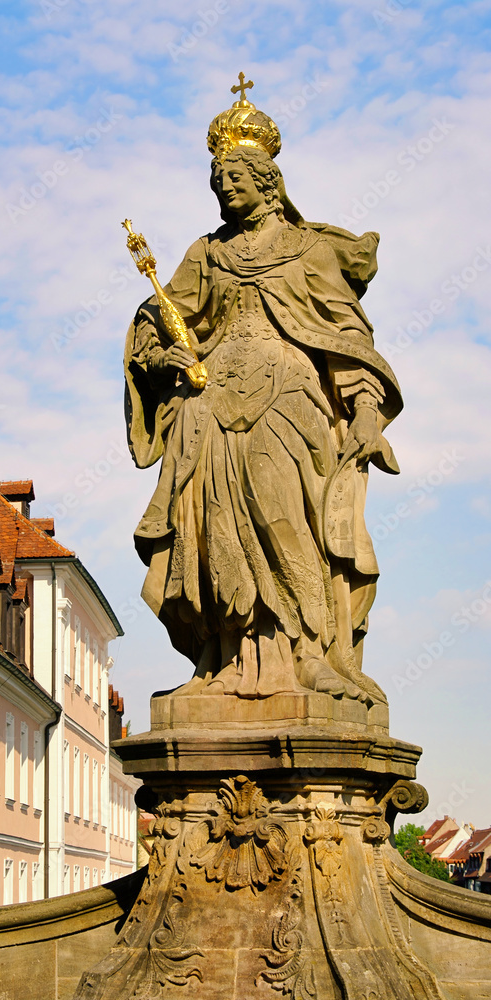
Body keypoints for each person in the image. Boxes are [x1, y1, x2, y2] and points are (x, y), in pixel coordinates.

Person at [124, 83, 402, 706]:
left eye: (234, 176)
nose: (223, 187)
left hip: (288, 402)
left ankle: (307, 653)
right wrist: (161, 349)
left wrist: (362, 408)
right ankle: (223, 660)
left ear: (265, 178)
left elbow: (346, 331)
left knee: (284, 516)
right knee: (212, 524)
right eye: (216, 178)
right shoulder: (207, 254)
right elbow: (165, 316)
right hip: (209, 405)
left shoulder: (306, 251)